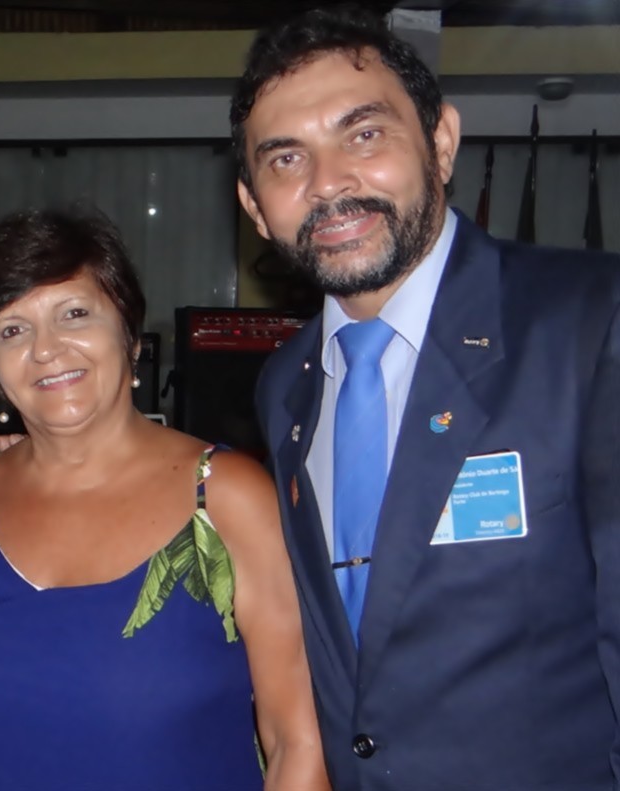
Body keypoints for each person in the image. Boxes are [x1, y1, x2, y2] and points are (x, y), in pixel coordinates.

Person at [233, 6, 620, 790]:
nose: (328, 183)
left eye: (363, 134)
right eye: (286, 159)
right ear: (253, 207)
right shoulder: (285, 385)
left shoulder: (590, 322)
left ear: (441, 142)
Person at [0, 206, 329, 791]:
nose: (46, 349)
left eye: (75, 313)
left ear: (132, 337)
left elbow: (299, 744)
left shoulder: (228, 498)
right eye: (13, 329)